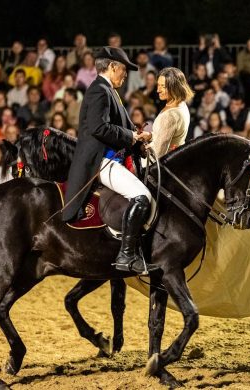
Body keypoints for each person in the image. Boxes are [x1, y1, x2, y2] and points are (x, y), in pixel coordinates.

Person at [62, 46, 158, 275]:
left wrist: (136, 138)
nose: (125, 75)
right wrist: (131, 136)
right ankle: (126, 255)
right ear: (113, 67)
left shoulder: (109, 91)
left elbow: (115, 127)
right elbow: (98, 127)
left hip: (111, 158)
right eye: (123, 70)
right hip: (101, 162)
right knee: (141, 196)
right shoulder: (100, 90)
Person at [141, 67, 193, 158]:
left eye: (163, 86)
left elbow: (158, 153)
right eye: (158, 85)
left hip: (160, 167)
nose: (158, 90)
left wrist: (141, 148)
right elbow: (170, 135)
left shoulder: (171, 115)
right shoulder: (181, 104)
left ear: (175, 87)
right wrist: (151, 136)